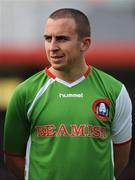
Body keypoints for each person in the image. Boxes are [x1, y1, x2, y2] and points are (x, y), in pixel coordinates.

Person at [4, 8, 132, 180]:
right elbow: (12, 156)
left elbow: (121, 155)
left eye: (62, 39)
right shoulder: (25, 92)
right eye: (48, 38)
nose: (53, 47)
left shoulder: (115, 91)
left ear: (85, 44)